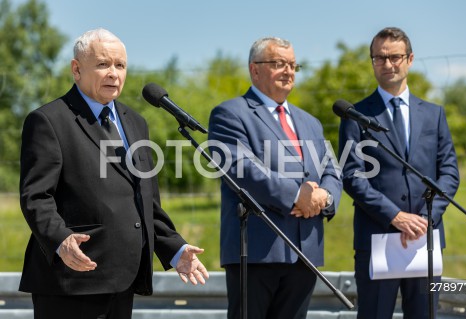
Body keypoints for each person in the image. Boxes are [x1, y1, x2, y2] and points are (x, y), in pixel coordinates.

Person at [19, 28, 209, 319]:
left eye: (120, 65)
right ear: (76, 69)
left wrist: (175, 248)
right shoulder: (48, 121)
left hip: (123, 280)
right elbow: (36, 197)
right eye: (103, 64)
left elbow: (146, 202)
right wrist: (60, 240)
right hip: (72, 280)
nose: (113, 73)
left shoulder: (136, 122)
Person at [208, 37, 342, 319]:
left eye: (293, 65)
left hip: (305, 251)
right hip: (257, 252)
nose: (288, 71)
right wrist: (297, 195)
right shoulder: (230, 114)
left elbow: (331, 168)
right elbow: (243, 169)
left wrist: (324, 197)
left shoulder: (310, 122)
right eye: (279, 64)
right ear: (254, 70)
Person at [338, 27, 459, 319]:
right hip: (377, 239)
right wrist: (395, 216)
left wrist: (427, 219)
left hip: (424, 242)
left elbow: (450, 172)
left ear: (410, 59)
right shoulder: (355, 115)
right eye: (379, 58)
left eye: (395, 57)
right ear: (372, 62)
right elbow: (352, 176)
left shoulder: (434, 114)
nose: (388, 64)